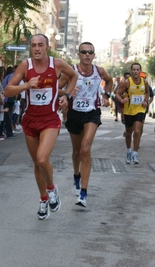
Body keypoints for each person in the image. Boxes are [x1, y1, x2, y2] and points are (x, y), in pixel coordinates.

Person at [4, 34, 78, 220]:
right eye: (33, 45)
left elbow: (74, 76)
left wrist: (67, 96)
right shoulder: (25, 66)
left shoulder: (57, 64)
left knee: (42, 158)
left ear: (46, 47)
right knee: (37, 163)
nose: (36, 49)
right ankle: (43, 199)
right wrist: (27, 85)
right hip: (30, 119)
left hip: (50, 119)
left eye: (40, 45)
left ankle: (52, 189)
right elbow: (7, 90)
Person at [59, 41, 113, 208]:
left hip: (92, 113)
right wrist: (67, 92)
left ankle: (83, 192)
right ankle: (76, 175)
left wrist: (106, 96)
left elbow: (109, 81)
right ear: (79, 55)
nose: (87, 55)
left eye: (90, 52)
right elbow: (56, 88)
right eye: (84, 52)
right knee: (76, 151)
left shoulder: (99, 71)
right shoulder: (71, 72)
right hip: (74, 114)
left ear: (94, 55)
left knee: (85, 149)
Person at [115, 63, 150, 165]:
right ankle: (129, 151)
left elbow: (147, 93)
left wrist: (145, 101)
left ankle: (135, 153)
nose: (135, 71)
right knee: (128, 133)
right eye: (134, 69)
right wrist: (122, 100)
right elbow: (117, 94)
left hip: (140, 110)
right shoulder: (127, 82)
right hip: (129, 111)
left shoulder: (145, 82)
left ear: (140, 71)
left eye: (137, 69)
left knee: (137, 131)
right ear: (131, 71)